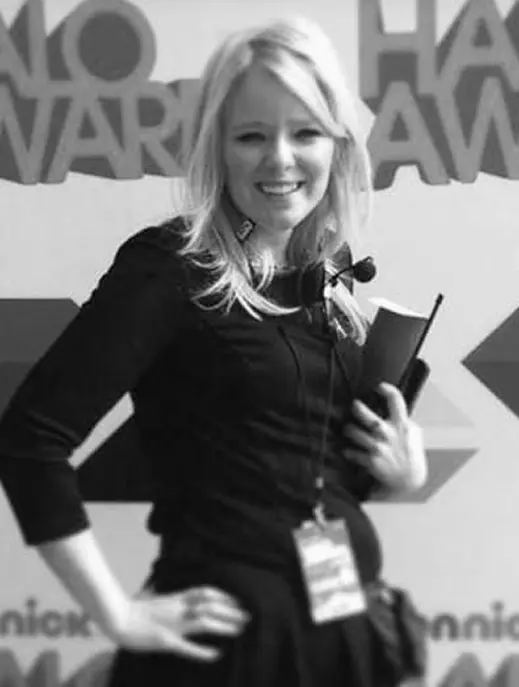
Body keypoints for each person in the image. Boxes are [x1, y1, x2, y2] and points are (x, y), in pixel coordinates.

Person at [0, 15, 427, 687]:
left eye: (306, 132)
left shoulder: (328, 271)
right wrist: (116, 615)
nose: (280, 159)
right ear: (217, 147)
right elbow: (29, 438)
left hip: (343, 640)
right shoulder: (172, 267)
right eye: (251, 135)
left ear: (339, 145)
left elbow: (289, 473)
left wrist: (399, 474)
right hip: (226, 657)